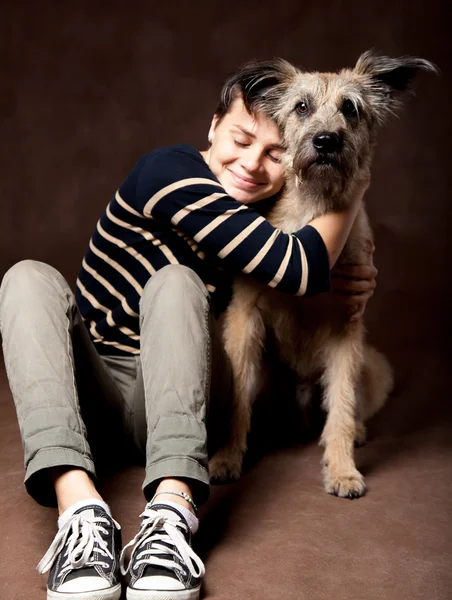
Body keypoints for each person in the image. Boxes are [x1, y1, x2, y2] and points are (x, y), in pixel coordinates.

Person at [0, 59, 377, 600]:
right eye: (240, 139)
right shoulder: (169, 173)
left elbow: (311, 262)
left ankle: (171, 518)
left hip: (186, 401)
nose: (251, 165)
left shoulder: (266, 208)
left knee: (176, 283)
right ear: (211, 127)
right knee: (26, 277)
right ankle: (79, 511)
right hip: (94, 397)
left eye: (274, 154)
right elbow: (301, 267)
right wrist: (361, 183)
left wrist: (356, 260)